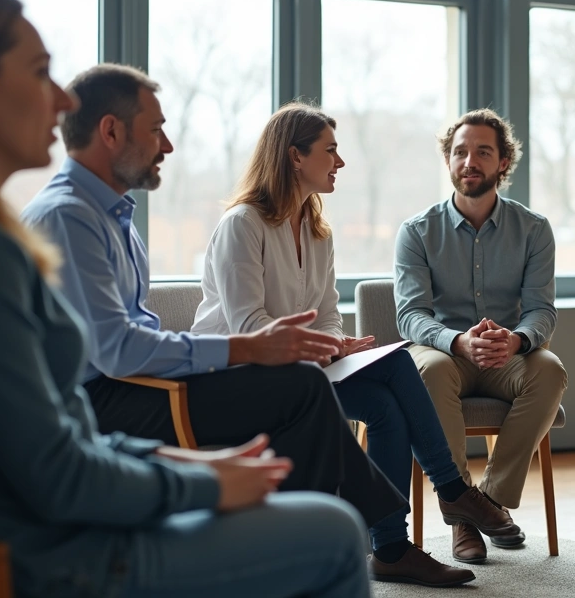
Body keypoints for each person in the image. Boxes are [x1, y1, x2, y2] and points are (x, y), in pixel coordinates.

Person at [0, 0, 369, 597]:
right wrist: (205, 484)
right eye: (40, 72)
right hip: (61, 554)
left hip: (55, 523)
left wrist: (178, 461)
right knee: (335, 532)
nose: (63, 100)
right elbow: (59, 474)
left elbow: (56, 433)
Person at [21, 64, 409, 538]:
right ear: (111, 131)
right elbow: (116, 351)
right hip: (102, 399)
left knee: (310, 389)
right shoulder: (69, 217)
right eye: (156, 129)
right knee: (302, 388)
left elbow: (130, 337)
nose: (167, 145)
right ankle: (345, 535)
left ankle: (325, 537)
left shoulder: (110, 216)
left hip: (135, 384)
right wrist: (244, 349)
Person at [192, 101, 522, 586]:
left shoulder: (317, 230)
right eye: (330, 150)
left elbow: (328, 314)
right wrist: (325, 347)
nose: (340, 162)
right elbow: (249, 327)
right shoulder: (243, 224)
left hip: (300, 371)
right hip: (240, 379)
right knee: (395, 373)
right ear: (295, 157)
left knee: (389, 393)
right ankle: (449, 492)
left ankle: (391, 547)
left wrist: (333, 342)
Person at [394, 108, 568, 563]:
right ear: (448, 160)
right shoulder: (416, 231)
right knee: (429, 371)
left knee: (550, 370)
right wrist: (457, 341)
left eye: (483, 152)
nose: (469, 161)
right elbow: (410, 316)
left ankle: (482, 504)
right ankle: (464, 514)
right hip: (443, 352)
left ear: (503, 163)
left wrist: (517, 341)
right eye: (460, 152)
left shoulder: (534, 230)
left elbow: (541, 310)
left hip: (506, 356)